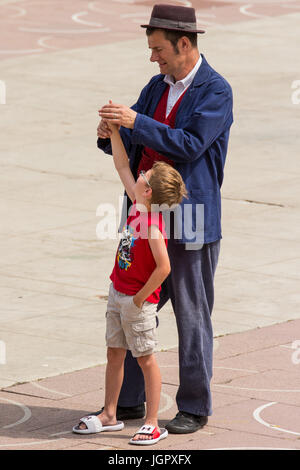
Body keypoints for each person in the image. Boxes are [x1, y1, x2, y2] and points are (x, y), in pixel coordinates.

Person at [96, 4, 233, 434]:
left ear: (185, 44)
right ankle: (132, 401)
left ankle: (194, 405)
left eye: (158, 50)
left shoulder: (216, 91)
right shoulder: (157, 86)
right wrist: (110, 133)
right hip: (144, 214)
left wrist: (136, 121)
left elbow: (190, 144)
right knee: (134, 305)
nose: (153, 58)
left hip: (190, 217)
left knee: (192, 315)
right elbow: (136, 135)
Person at [73, 112, 187, 445]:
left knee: (147, 359)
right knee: (114, 353)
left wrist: (140, 299)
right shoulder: (138, 204)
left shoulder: (151, 224)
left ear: (149, 191)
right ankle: (110, 414)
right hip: (117, 293)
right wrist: (116, 134)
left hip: (136, 302)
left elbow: (164, 268)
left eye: (145, 174)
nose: (140, 172)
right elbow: (122, 166)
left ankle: (152, 421)